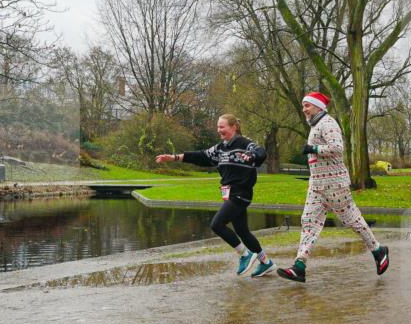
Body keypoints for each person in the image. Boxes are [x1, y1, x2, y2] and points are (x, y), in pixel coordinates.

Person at [276, 92, 389, 283]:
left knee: (352, 221)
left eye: (307, 106)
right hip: (317, 185)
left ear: (318, 106)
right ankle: (299, 266)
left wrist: (314, 149)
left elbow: (337, 148)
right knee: (308, 221)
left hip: (335, 184)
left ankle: (378, 251)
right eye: (303, 106)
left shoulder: (328, 123)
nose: (304, 109)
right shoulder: (315, 125)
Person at [155, 114, 276, 277]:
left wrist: (252, 156)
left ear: (234, 127)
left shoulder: (244, 144)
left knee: (217, 224)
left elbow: (260, 152)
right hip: (230, 194)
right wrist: (174, 157)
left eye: (222, 127)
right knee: (243, 231)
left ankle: (245, 255)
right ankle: (265, 262)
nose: (219, 130)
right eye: (218, 127)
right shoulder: (220, 148)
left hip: (240, 193)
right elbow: (200, 155)